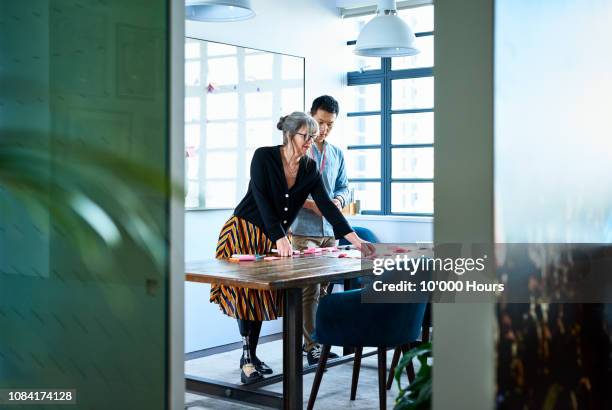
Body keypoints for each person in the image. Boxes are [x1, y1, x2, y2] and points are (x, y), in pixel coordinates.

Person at [210, 111, 371, 384]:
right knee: (247, 297)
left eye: (313, 135)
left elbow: (325, 205)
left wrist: (354, 239)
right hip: (243, 230)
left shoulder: (308, 168)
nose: (310, 140)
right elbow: (260, 199)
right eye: (305, 135)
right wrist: (280, 237)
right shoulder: (264, 157)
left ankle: (252, 356)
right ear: (289, 135)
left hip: (273, 237)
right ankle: (247, 358)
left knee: (260, 300)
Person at [290, 95, 349, 365]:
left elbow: (345, 187)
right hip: (304, 230)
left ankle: (318, 340)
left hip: (330, 231)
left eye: (330, 125)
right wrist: (313, 204)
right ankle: (312, 345)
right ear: (310, 116)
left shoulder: (336, 153)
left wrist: (339, 200)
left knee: (325, 288)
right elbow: (287, 190)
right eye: (321, 122)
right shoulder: (299, 148)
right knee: (310, 289)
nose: (324, 129)